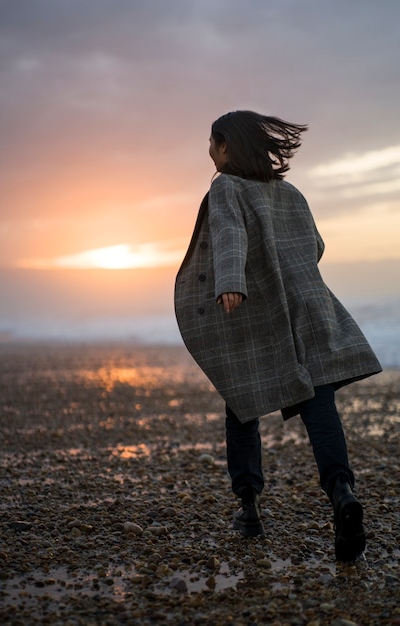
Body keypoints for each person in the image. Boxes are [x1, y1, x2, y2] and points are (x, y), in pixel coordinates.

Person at [174, 110, 382, 562]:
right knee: (319, 405)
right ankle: (342, 494)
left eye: (212, 143)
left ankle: (248, 507)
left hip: (261, 314)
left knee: (242, 404)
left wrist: (231, 278)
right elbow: (317, 246)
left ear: (226, 145)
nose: (209, 152)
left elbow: (229, 231)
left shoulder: (226, 185)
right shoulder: (291, 193)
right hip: (310, 309)